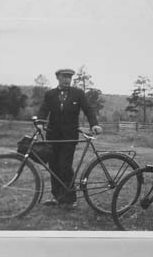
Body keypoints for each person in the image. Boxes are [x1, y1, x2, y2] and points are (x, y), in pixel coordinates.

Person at [38, 68, 102, 209]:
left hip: (69, 136)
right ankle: (56, 196)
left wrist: (94, 125)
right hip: (53, 135)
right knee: (53, 166)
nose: (67, 79)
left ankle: (71, 198)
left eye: (69, 77)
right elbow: (43, 109)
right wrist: (40, 121)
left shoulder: (78, 94)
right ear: (58, 77)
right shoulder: (50, 94)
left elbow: (88, 109)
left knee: (64, 166)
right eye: (64, 77)